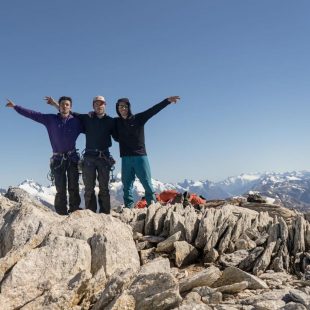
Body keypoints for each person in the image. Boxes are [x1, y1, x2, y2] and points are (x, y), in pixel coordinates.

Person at [6, 96, 84, 215]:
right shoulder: (50, 119)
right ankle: (61, 214)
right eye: (62, 104)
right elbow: (33, 114)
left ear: (70, 107)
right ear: (59, 106)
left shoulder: (76, 122)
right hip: (58, 160)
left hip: (72, 158)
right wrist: (16, 107)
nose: (64, 106)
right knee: (60, 188)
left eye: (67, 104)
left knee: (74, 186)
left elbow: (92, 127)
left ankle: (74, 211)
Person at [48, 96, 116, 214]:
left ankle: (105, 214)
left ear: (105, 105)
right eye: (96, 104)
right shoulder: (86, 118)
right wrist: (55, 105)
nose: (99, 106)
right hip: (89, 157)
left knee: (104, 188)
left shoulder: (111, 121)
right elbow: (69, 112)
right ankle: (90, 214)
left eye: (101, 104)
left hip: (104, 157)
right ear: (93, 106)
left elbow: (118, 136)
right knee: (89, 188)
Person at [115, 96, 180, 209]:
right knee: (127, 186)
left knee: (147, 184)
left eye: (125, 106)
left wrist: (167, 101)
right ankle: (129, 208)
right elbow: (104, 123)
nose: (123, 108)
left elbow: (153, 110)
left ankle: (152, 207)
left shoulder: (138, 118)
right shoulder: (116, 122)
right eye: (120, 106)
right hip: (125, 158)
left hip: (140, 157)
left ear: (128, 107)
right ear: (117, 108)